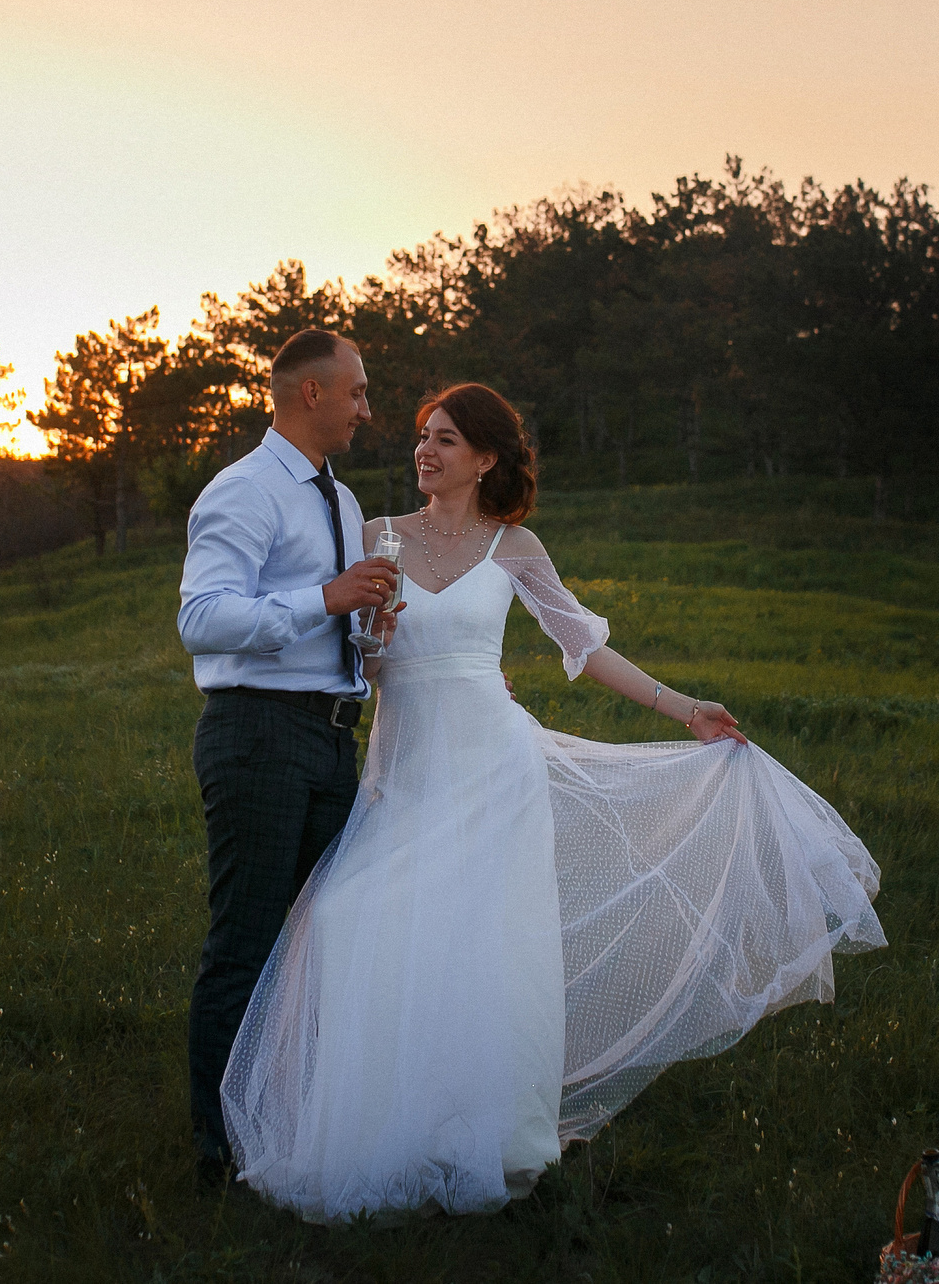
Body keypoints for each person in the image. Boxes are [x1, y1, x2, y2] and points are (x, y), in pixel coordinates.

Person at [218, 381, 886, 1223]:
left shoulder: (515, 546)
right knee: (360, 920)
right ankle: (387, 1124)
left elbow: (586, 648)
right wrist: (373, 646)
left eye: (447, 439)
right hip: (406, 768)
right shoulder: (374, 533)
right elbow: (357, 654)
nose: (425, 450)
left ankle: (487, 1135)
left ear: (486, 458)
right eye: (423, 436)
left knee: (487, 950)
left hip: (496, 769)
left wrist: (685, 709)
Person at [176, 329, 405, 1189]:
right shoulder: (242, 491)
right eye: (358, 390)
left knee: (318, 942)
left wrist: (364, 625)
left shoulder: (342, 504)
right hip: (258, 735)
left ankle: (289, 1121)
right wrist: (324, 596)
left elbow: (324, 617)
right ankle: (218, 1153)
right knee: (246, 942)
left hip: (329, 735)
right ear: (312, 394)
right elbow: (202, 619)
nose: (367, 407)